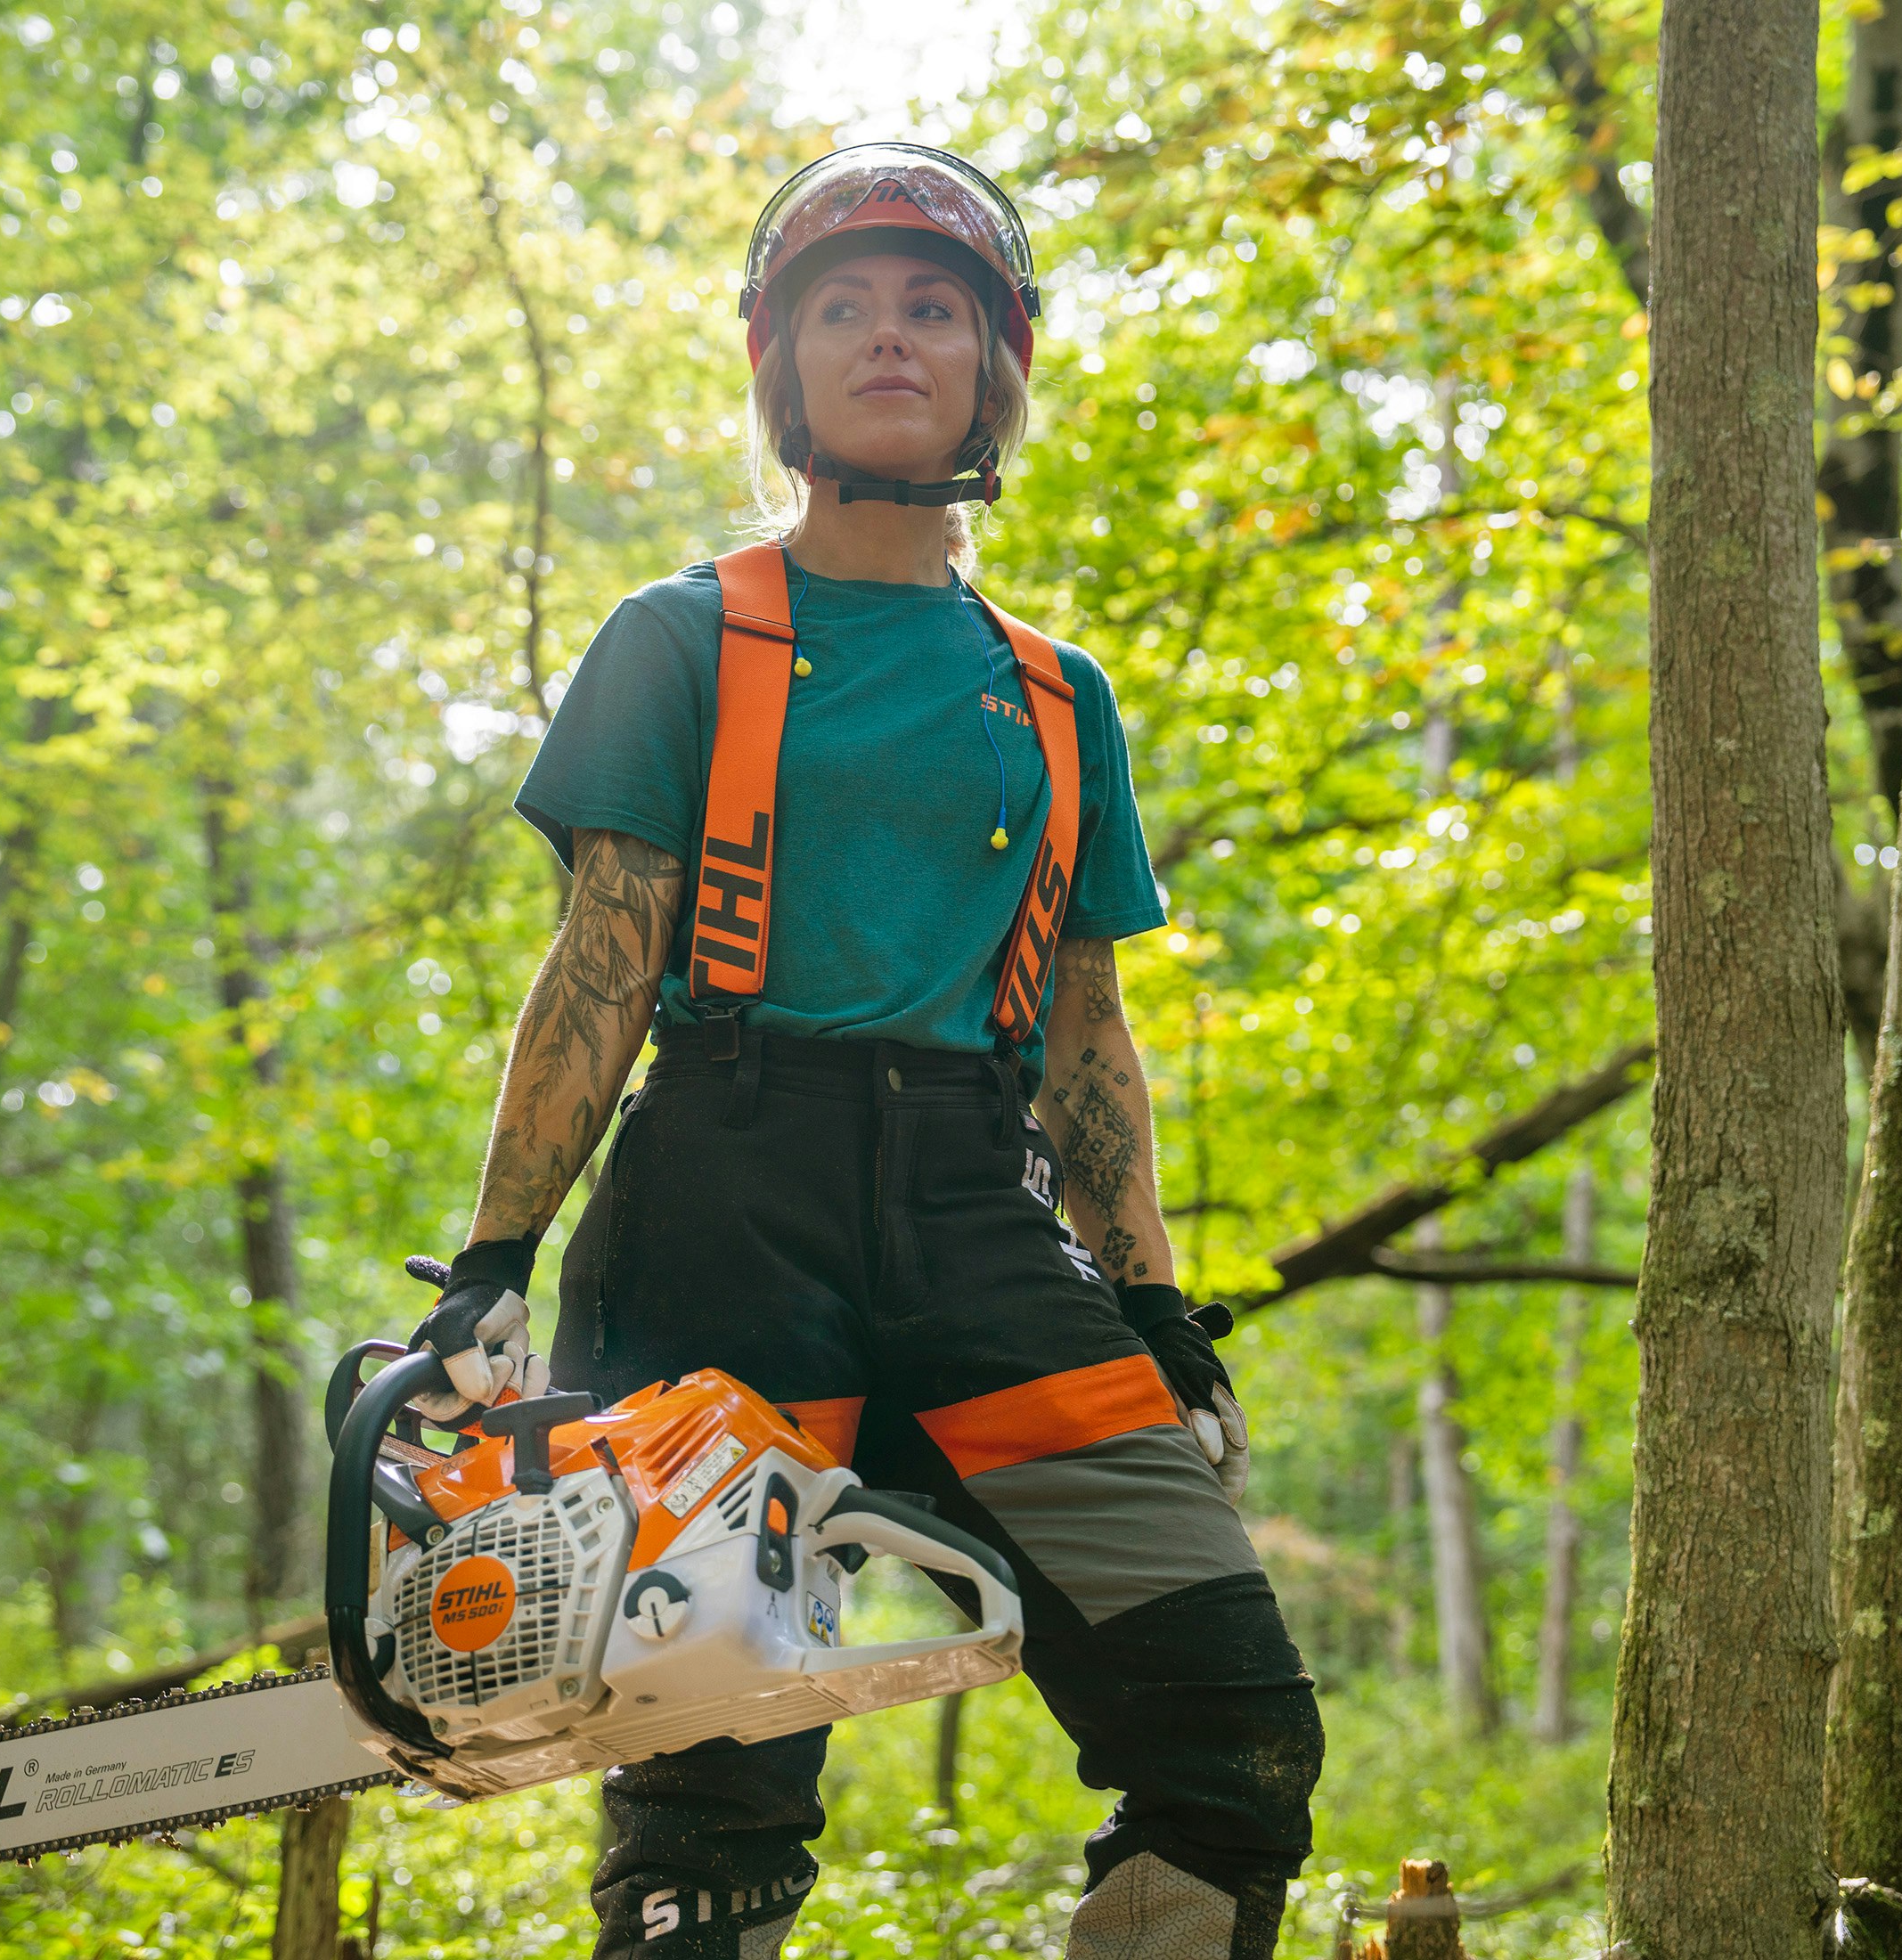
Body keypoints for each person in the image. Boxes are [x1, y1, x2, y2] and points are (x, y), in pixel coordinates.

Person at [411, 143, 1323, 1960]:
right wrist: (497, 1258)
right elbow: (601, 963)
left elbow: (1085, 1035)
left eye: (933, 307)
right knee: (712, 1777)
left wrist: (1150, 1303)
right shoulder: (685, 637)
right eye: (845, 309)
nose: (889, 338)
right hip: (722, 1204)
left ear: (997, 364)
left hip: (984, 1212)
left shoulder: (1061, 694)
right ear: (783, 363)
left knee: (1232, 1723)